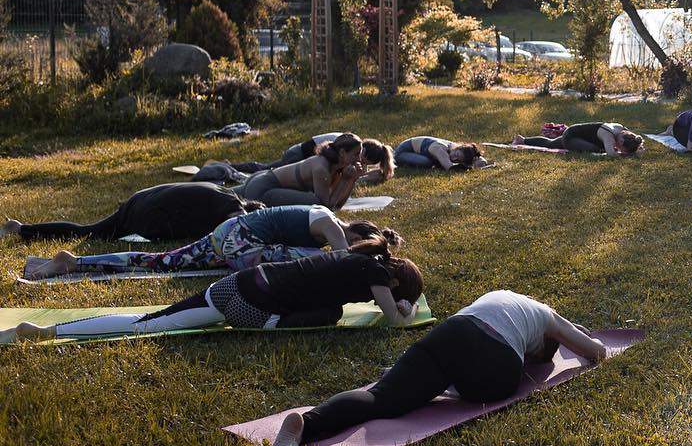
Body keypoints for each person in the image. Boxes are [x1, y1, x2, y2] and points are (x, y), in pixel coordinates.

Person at [271, 289, 607, 446]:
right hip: (496, 358)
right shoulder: (550, 317)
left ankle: (306, 424)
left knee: (381, 397)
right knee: (506, 381)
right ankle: (448, 388)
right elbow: (596, 351)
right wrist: (571, 338)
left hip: (453, 332)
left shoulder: (504, 296)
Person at [1, 239, 422, 344]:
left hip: (232, 287)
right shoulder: (378, 273)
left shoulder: (353, 257)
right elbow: (392, 319)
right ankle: (50, 333)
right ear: (397, 280)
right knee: (328, 313)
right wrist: (402, 309)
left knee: (148, 323)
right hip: (253, 308)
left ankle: (50, 332)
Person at [23, 204, 403, 279]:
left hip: (229, 234)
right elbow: (343, 265)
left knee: (160, 261)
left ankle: (71, 262)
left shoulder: (322, 216)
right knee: (308, 264)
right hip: (241, 241)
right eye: (358, 246)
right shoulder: (331, 226)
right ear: (355, 235)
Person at [1, 182, 259, 242]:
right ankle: (20, 229)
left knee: (87, 232)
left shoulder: (224, 190)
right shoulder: (235, 208)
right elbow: (238, 231)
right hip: (154, 217)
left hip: (138, 201)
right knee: (89, 234)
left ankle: (20, 228)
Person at [195, 137, 395, 187]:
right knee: (263, 170)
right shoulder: (347, 147)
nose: (361, 162)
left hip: (302, 154)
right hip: (298, 153)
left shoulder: (352, 147)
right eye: (363, 159)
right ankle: (224, 168)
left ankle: (227, 167)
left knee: (262, 168)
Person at [239, 133, 367, 208]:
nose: (359, 159)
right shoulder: (321, 168)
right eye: (356, 154)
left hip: (260, 182)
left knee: (223, 195)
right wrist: (345, 180)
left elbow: (337, 203)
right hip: (262, 188)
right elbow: (326, 207)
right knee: (315, 204)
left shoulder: (338, 167)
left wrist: (352, 179)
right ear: (343, 153)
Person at [511, 122, 643, 156]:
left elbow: (634, 139)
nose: (620, 150)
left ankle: (523, 140)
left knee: (551, 144)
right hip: (572, 135)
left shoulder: (621, 129)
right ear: (620, 142)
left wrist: (636, 149)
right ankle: (523, 140)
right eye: (622, 149)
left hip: (578, 134)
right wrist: (631, 155)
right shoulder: (609, 136)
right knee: (595, 149)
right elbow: (611, 154)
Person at [393, 136, 486, 171]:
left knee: (431, 162)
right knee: (427, 162)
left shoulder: (453, 148)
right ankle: (391, 157)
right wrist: (465, 168)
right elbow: (449, 167)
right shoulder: (439, 148)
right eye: (456, 155)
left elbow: (479, 160)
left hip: (416, 151)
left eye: (458, 160)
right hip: (403, 151)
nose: (454, 159)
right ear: (457, 148)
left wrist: (477, 160)